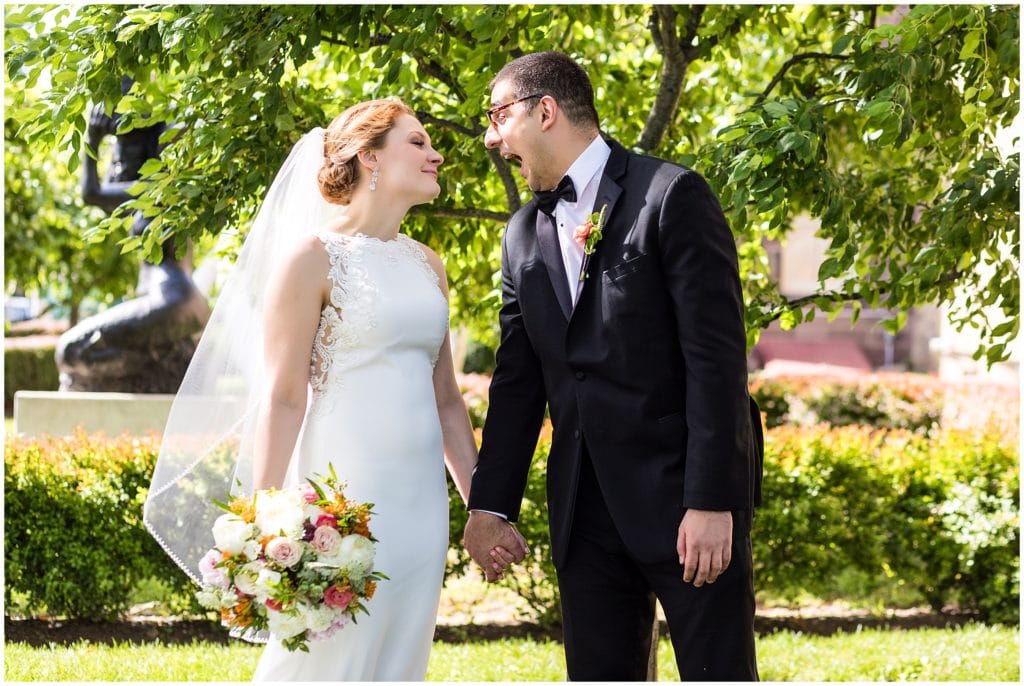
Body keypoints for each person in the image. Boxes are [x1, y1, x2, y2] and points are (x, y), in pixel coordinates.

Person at [145, 99, 499, 680]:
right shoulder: (310, 259)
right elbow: (283, 397)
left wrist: (482, 506)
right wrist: (261, 520)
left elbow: (446, 400)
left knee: (400, 659)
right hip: (343, 501)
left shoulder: (428, 265)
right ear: (369, 157)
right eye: (418, 142)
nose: (437, 155)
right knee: (330, 659)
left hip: (421, 505)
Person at [463, 51, 764, 681]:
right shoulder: (520, 234)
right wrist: (491, 506)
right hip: (584, 512)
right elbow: (519, 383)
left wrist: (713, 503)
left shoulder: (671, 196)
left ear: (544, 111)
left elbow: (715, 363)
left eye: (496, 116)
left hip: (684, 504)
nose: (491, 138)